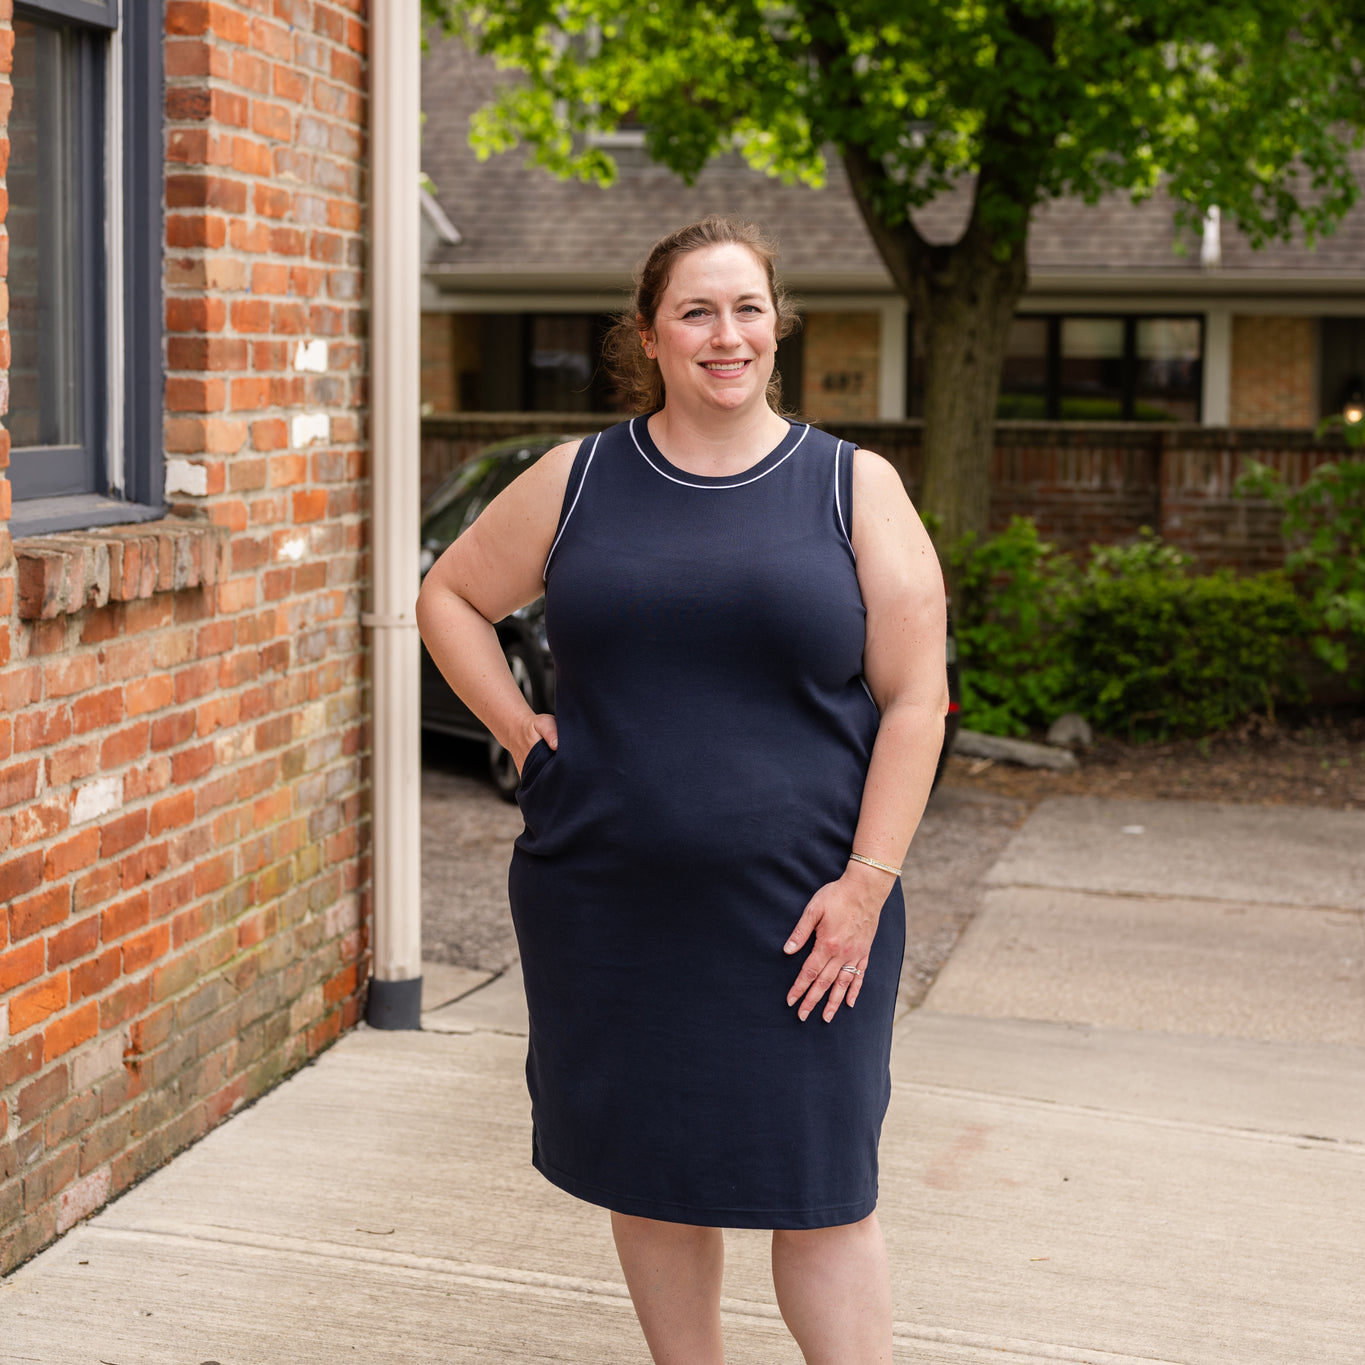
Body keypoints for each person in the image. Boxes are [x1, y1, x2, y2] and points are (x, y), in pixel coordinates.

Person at [415, 216, 948, 1365]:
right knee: (654, 1177)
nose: (726, 334)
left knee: (822, 1187)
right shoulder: (580, 477)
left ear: (777, 326)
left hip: (810, 916)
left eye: (747, 308)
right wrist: (519, 730)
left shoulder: (853, 487)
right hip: (609, 904)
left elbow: (917, 702)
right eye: (696, 311)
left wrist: (866, 886)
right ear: (650, 335)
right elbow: (450, 596)